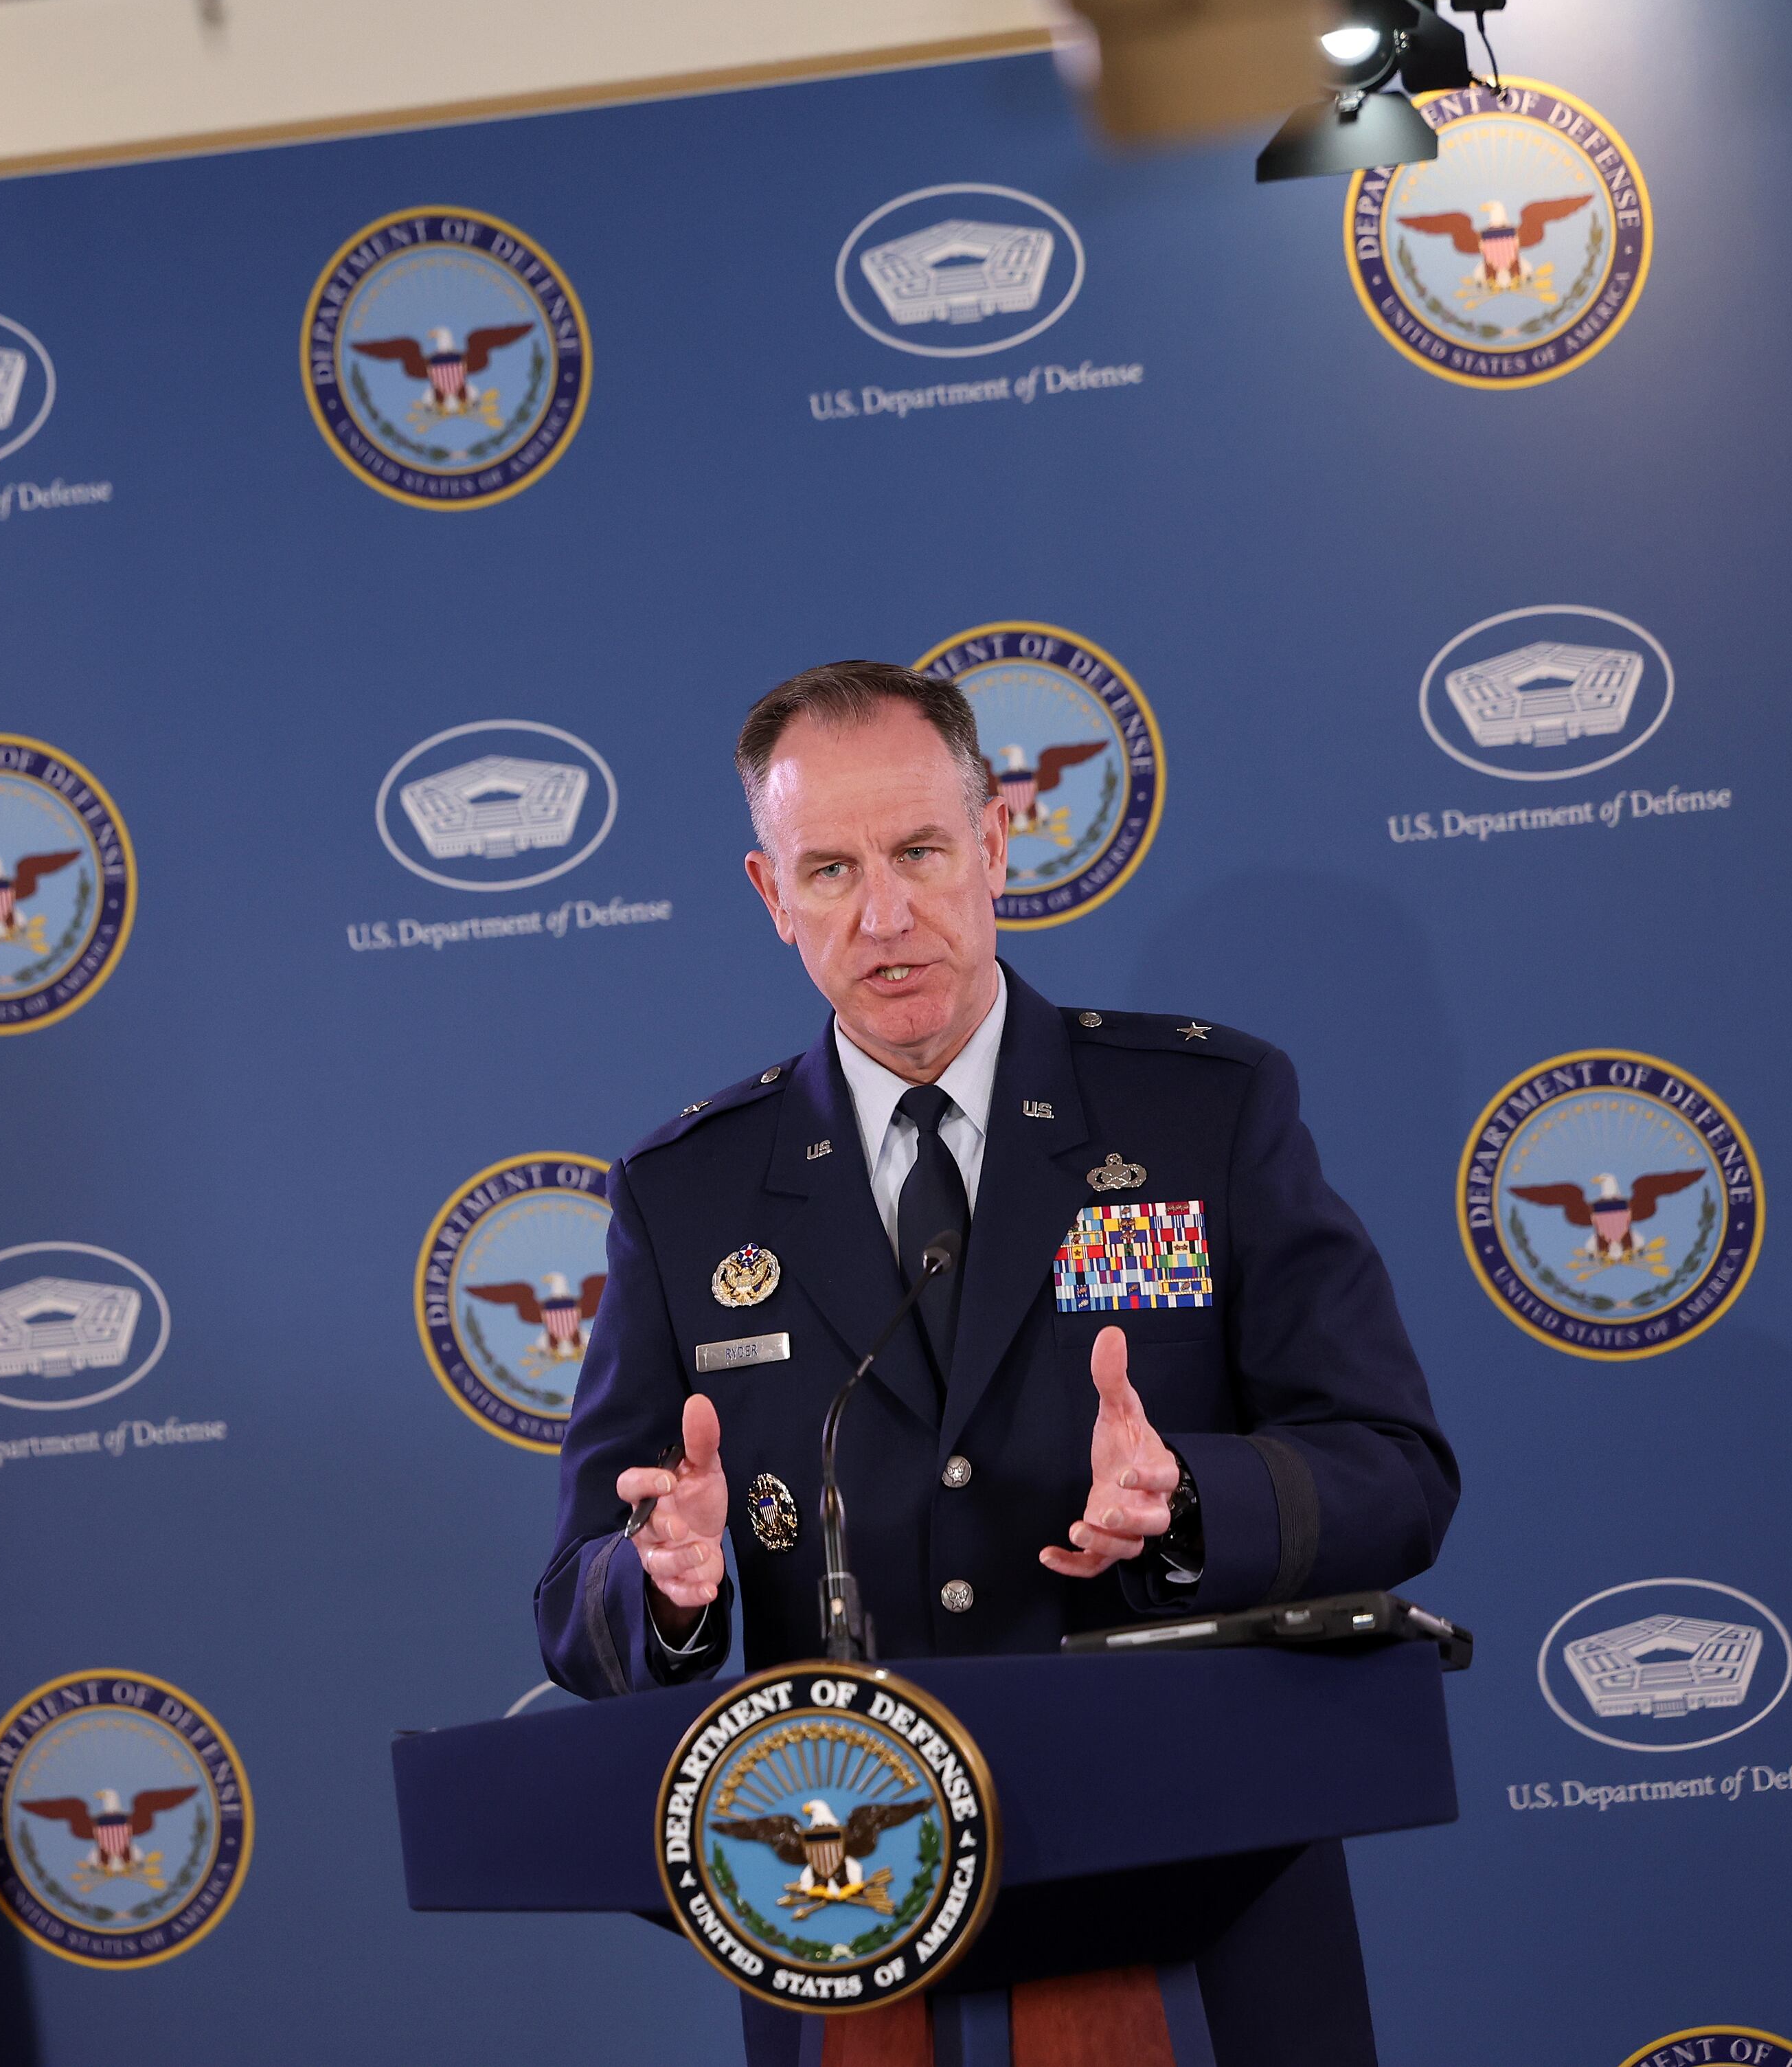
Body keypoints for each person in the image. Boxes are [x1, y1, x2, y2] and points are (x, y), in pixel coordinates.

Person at [532, 659, 1456, 2065]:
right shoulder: (689, 1195)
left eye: (917, 850)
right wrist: (664, 1582)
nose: (884, 912)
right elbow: (576, 1600)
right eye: (828, 868)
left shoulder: (1201, 1111)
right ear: (768, 895)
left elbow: (1395, 1469)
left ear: (997, 846)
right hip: (853, 1922)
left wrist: (1194, 1497)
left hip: (1198, 1909)